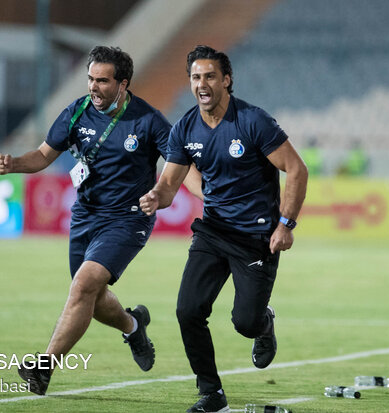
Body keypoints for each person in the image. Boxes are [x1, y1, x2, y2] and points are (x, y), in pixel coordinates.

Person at [0, 46, 180, 395]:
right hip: (86, 216)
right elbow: (44, 155)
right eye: (90, 79)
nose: (94, 87)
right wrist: (14, 163)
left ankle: (44, 367)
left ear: (123, 84)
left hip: (127, 219)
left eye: (103, 81)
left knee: (83, 286)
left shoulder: (149, 120)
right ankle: (133, 324)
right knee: (91, 298)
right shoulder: (76, 111)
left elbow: (178, 163)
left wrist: (162, 192)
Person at [139, 45, 308, 413]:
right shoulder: (185, 127)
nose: (202, 84)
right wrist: (155, 196)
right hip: (213, 231)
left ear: (226, 80)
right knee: (188, 311)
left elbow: (296, 169)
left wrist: (286, 224)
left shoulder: (253, 121)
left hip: (256, 238)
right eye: (196, 77)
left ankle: (264, 324)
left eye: (210, 76)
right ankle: (211, 393)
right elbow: (170, 184)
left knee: (245, 322)